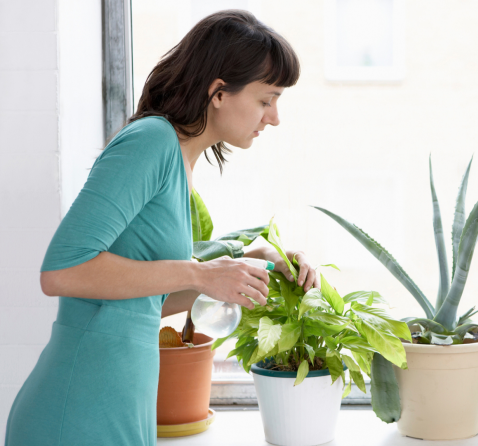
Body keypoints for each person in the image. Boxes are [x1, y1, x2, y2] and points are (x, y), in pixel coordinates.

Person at [4, 10, 316, 446]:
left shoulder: (179, 161)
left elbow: (146, 299)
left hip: (119, 403)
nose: (275, 117)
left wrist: (249, 268)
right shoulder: (151, 141)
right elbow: (62, 272)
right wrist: (199, 272)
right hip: (76, 411)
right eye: (267, 99)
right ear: (219, 92)